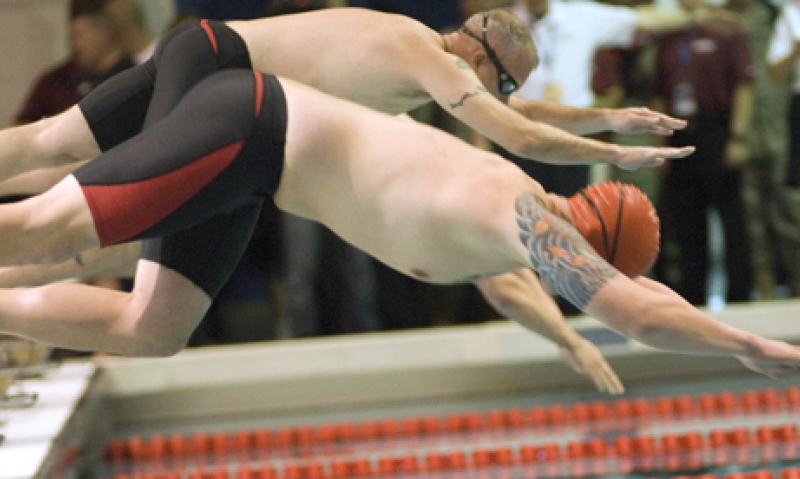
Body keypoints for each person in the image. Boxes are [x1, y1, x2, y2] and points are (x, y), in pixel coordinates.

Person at [0, 9, 692, 388]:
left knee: (53, 146)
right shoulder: (422, 55)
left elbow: (526, 111)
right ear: (479, 56)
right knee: (114, 242)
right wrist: (616, 154)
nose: (500, 100)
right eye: (500, 84)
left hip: (212, 63)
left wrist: (611, 116)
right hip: (227, 87)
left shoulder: (426, 60)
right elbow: (515, 130)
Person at [650, 0, 754, 306]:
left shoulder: (726, 31)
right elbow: (658, 92)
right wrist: (659, 145)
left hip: (717, 129)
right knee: (686, 219)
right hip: (680, 131)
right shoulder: (668, 35)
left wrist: (738, 136)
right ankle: (692, 295)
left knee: (730, 213)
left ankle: (740, 294)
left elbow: (743, 85)